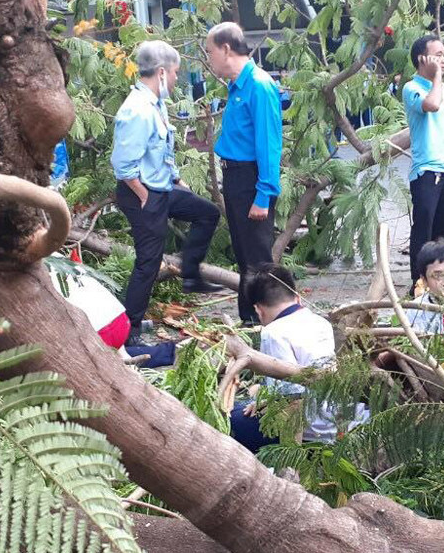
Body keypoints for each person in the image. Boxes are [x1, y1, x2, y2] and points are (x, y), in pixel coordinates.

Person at [111, 40, 222, 345]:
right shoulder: (137, 110)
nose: (176, 78)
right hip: (142, 194)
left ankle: (190, 274)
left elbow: (159, 151)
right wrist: (144, 195)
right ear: (161, 72)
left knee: (207, 213)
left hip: (162, 187)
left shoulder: (155, 103)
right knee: (148, 262)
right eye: (174, 73)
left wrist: (176, 179)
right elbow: (123, 165)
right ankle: (128, 330)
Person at [205, 22, 284, 324]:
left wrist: (264, 193)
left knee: (257, 260)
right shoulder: (237, 85)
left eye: (210, 52)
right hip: (236, 178)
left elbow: (269, 144)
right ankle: (249, 319)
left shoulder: (259, 86)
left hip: (251, 180)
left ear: (226, 49)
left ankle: (264, 321)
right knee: (244, 257)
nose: (209, 59)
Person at [228, 265, 340, 453]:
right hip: (328, 425)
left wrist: (290, 456)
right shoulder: (321, 322)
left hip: (305, 433)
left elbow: (292, 400)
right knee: (249, 401)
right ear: (296, 296)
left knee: (227, 417)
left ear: (258, 309)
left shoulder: (273, 333)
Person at [403, 35, 444, 287]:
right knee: (423, 230)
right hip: (426, 169)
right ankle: (418, 284)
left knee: (443, 232)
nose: (443, 59)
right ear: (421, 59)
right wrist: (437, 75)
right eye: (436, 54)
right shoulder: (411, 88)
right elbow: (432, 105)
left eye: (443, 54)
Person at [46, 259, 178, 368]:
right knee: (118, 355)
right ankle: (168, 352)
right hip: (118, 318)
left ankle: (165, 352)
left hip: (98, 332)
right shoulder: (56, 257)